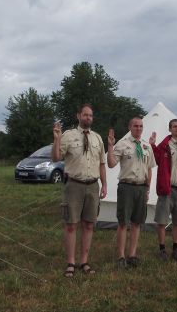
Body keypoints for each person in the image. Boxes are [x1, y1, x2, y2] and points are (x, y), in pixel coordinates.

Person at [52, 104, 107, 277]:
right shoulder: (68, 136)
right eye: (85, 115)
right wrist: (56, 139)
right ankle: (70, 263)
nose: (88, 118)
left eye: (90, 115)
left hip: (92, 185)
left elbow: (102, 164)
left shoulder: (98, 138)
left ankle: (84, 261)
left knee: (89, 224)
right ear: (78, 116)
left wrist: (104, 184)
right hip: (74, 185)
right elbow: (55, 158)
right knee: (71, 225)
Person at [107, 117, 156, 268]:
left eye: (141, 126)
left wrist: (147, 189)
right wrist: (110, 146)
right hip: (126, 187)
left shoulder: (147, 147)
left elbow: (149, 169)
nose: (138, 128)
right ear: (130, 127)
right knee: (123, 223)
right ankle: (121, 256)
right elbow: (111, 164)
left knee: (136, 223)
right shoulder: (122, 144)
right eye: (135, 126)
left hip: (141, 188)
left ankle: (132, 255)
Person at [148, 119, 177, 262]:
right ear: (170, 129)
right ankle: (162, 249)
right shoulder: (165, 145)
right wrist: (152, 145)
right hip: (167, 189)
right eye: (174, 126)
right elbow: (155, 159)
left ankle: (176, 248)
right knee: (162, 221)